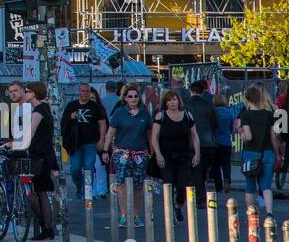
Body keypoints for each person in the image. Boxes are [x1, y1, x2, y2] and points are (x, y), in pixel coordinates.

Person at [102, 84, 153, 228]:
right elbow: (111, 132)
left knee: (138, 185)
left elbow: (150, 135)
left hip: (140, 153)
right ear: (125, 98)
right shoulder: (119, 113)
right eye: (130, 96)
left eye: (136, 96)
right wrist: (106, 150)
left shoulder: (144, 113)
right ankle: (124, 215)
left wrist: (153, 153)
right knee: (122, 183)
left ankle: (136, 215)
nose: (133, 99)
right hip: (121, 152)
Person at [151, 90, 200, 223]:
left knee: (183, 185)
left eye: (174, 100)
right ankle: (169, 213)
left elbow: (194, 135)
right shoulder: (160, 116)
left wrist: (197, 153)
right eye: (169, 100)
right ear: (165, 103)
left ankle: (178, 206)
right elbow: (154, 137)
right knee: (168, 183)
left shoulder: (187, 115)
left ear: (179, 101)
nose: (172, 103)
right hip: (166, 155)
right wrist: (158, 155)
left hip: (184, 155)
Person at [20, 82, 59, 240]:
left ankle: (45, 227)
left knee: (34, 194)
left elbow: (29, 134)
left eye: (27, 91)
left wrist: (15, 145)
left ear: (34, 93)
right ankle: (47, 228)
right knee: (41, 192)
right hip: (45, 155)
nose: (25, 94)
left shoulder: (39, 111)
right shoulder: (44, 108)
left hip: (39, 156)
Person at [238, 84, 281, 217]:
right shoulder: (269, 114)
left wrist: (243, 136)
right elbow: (273, 136)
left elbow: (249, 136)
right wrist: (277, 153)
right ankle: (269, 212)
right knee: (266, 185)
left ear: (248, 99)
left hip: (251, 153)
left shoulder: (245, 115)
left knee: (250, 186)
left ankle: (251, 214)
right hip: (267, 153)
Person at [61, 82, 108, 200]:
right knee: (75, 168)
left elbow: (102, 124)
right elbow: (63, 121)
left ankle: (87, 192)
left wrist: (102, 139)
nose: (85, 93)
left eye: (87, 91)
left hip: (91, 143)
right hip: (75, 143)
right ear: (79, 92)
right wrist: (70, 117)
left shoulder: (95, 106)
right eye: (83, 91)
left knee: (89, 167)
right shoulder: (71, 105)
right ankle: (79, 186)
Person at [184, 80, 218, 208]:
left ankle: (199, 197)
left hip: (192, 143)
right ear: (203, 92)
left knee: (195, 171)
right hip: (209, 143)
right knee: (203, 171)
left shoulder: (186, 105)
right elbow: (216, 123)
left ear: (191, 91)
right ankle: (200, 195)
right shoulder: (209, 105)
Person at [211, 92, 237, 193]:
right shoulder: (230, 112)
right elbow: (232, 129)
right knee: (226, 164)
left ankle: (219, 186)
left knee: (216, 165)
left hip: (215, 141)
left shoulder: (213, 112)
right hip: (227, 141)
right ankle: (227, 180)